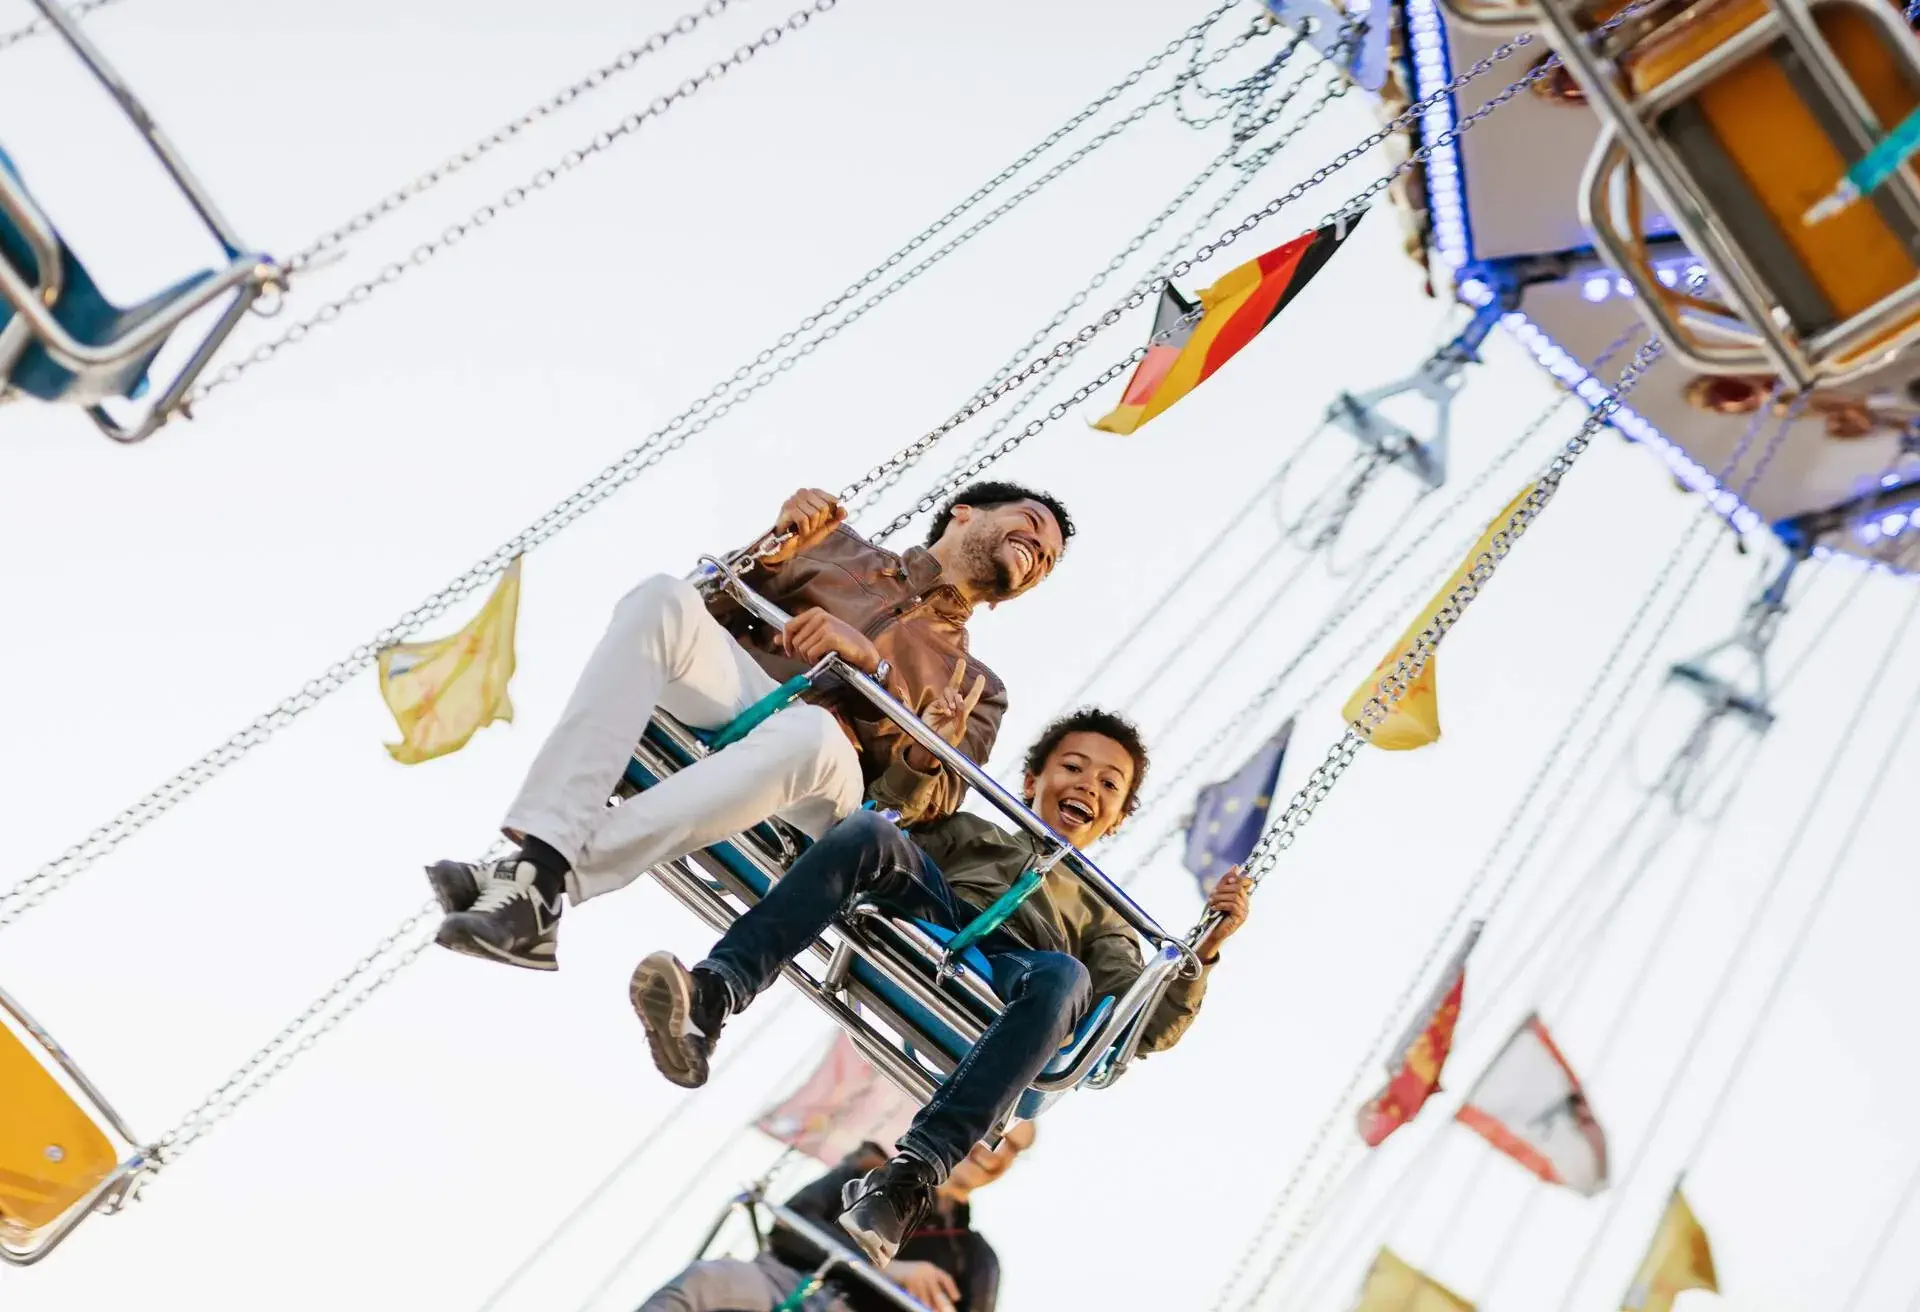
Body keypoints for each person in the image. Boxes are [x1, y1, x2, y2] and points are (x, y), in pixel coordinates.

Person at [629, 708, 1253, 1265]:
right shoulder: (974, 832)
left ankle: (911, 1178)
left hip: (1017, 970)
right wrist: (918, 766)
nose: (1088, 784)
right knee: (869, 836)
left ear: (1114, 819)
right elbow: (881, 822)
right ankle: (713, 995)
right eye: (1073, 766)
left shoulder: (1104, 916)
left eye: (1108, 784)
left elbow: (1145, 1028)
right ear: (1033, 781)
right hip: (939, 913)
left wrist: (1205, 949)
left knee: (1070, 979)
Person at [424, 480, 1073, 971]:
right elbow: (709, 613)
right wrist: (772, 550)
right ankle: (540, 880)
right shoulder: (840, 549)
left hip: (830, 777)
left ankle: (536, 879)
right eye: (1034, 524)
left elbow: (920, 810)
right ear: (966, 511)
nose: (1040, 549)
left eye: (1049, 559)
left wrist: (879, 680)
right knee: (661, 598)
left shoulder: (978, 688)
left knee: (811, 734)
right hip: (749, 694)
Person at [637, 1122, 1033, 1312]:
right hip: (783, 1280)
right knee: (707, 1279)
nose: (996, 1151)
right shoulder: (870, 1170)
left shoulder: (975, 1256)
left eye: (1014, 1149)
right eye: (998, 1133)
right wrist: (890, 1272)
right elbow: (791, 1225)